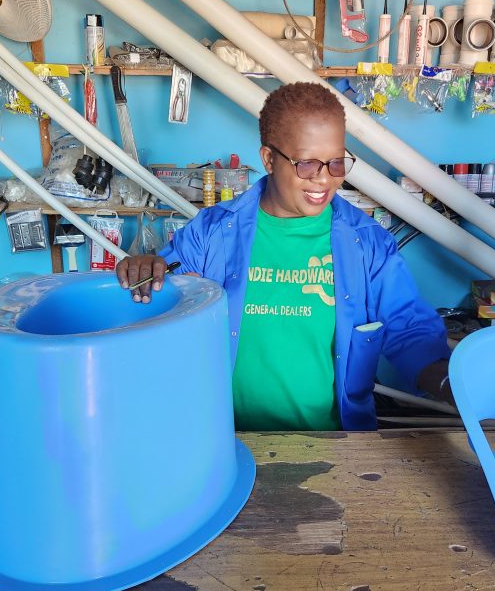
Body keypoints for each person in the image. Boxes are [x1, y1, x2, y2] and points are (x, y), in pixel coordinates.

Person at [116, 82, 451, 431]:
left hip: (335, 446)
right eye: (307, 164)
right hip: (227, 442)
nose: (324, 179)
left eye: (336, 162)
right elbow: (164, 299)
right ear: (269, 159)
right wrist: (143, 271)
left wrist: (449, 385)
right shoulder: (212, 234)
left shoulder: (368, 245)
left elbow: (410, 330)